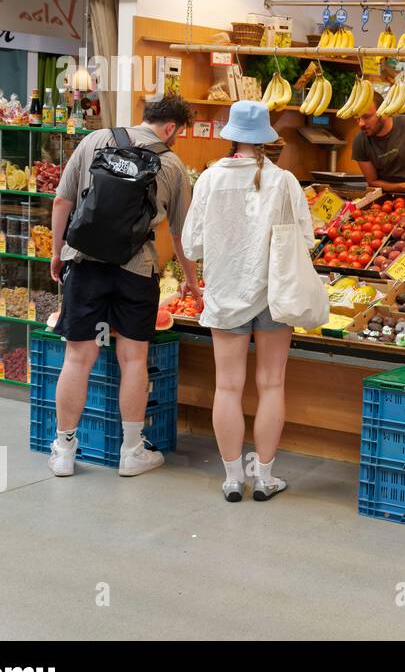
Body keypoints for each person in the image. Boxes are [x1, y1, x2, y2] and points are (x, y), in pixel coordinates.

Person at [49, 96, 198, 477]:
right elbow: (181, 235)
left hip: (83, 262)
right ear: (171, 128)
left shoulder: (94, 140)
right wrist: (192, 281)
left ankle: (64, 449)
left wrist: (57, 254)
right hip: (136, 268)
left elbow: (62, 201)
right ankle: (131, 451)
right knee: (133, 359)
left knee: (77, 359)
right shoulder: (173, 165)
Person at [181, 101, 308, 501]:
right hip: (274, 294)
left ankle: (233, 477)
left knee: (228, 387)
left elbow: (192, 244)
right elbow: (305, 240)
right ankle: (265, 477)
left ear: (232, 135)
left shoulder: (209, 179)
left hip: (225, 293)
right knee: (271, 384)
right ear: (266, 139)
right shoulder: (284, 180)